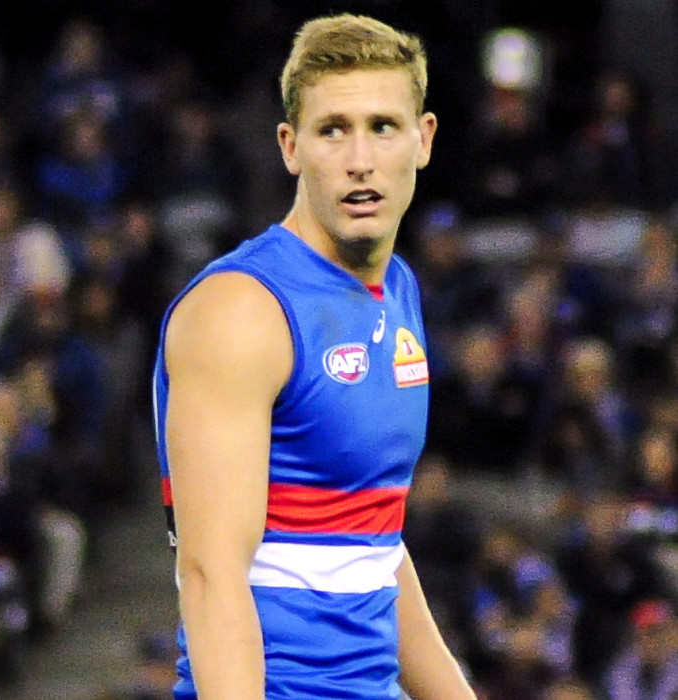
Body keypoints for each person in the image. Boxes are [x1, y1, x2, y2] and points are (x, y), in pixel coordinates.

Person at [153, 12, 476, 700]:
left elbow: (373, 549)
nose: (360, 159)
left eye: (382, 127)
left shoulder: (397, 289)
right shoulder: (243, 309)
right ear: (290, 147)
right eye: (333, 130)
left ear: (423, 139)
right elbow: (212, 576)